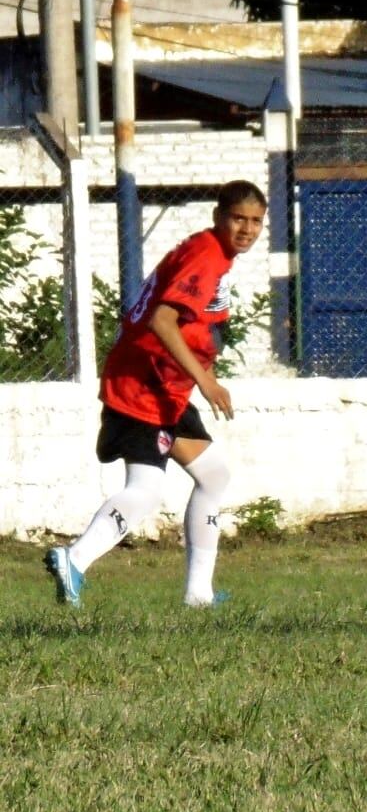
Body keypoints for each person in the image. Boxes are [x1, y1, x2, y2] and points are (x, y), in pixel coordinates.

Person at [44, 180, 268, 609]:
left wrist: (200, 371)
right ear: (219, 217)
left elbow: (199, 325)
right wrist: (206, 381)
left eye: (256, 221)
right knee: (145, 488)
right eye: (238, 218)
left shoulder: (214, 256)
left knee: (214, 474)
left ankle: (199, 594)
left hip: (167, 387)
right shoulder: (205, 256)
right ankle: (74, 558)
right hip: (143, 386)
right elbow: (162, 322)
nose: (247, 229)